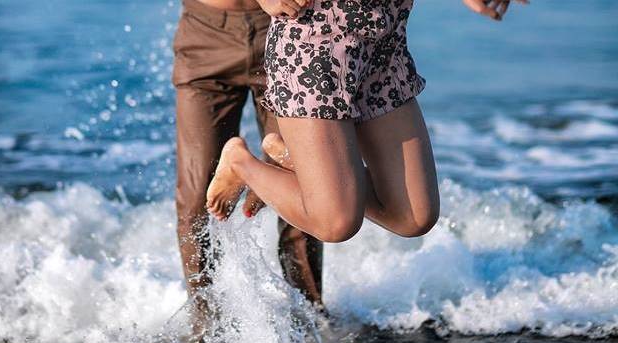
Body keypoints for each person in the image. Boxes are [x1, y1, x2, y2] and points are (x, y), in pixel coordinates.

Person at [206, 0, 526, 242]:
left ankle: (294, 161)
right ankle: (240, 163)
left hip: (383, 46)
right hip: (316, 42)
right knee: (336, 222)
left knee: (414, 216)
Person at [172, 0, 324, 314]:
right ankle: (206, 328)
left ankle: (311, 319)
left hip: (289, 27)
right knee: (195, 197)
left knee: (302, 180)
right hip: (206, 35)